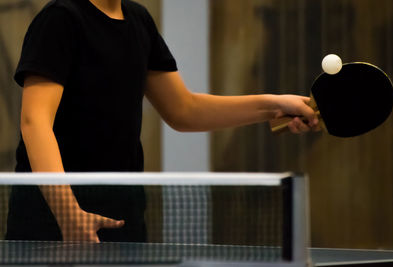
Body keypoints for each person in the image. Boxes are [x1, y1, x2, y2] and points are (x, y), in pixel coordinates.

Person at [6, 0, 320, 243]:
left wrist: (273, 105)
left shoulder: (138, 20)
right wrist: (67, 213)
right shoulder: (61, 18)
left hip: (123, 217)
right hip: (51, 222)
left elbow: (184, 110)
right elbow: (35, 121)